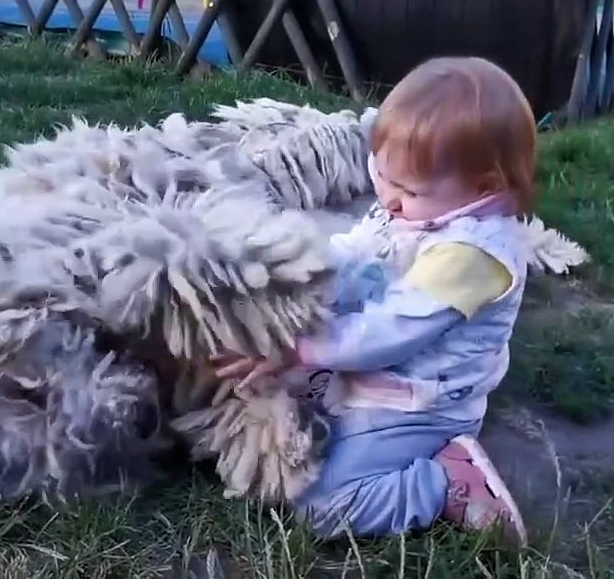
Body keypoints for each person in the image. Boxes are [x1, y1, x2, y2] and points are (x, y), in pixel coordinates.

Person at [214, 56, 536, 546]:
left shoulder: (472, 255)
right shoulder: (417, 209)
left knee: (320, 506)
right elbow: (353, 252)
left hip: (419, 403)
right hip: (368, 376)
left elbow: (387, 334)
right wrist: (296, 281)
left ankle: (446, 480)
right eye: (381, 175)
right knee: (264, 407)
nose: (387, 200)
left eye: (407, 190)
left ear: (484, 189)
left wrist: (301, 350)